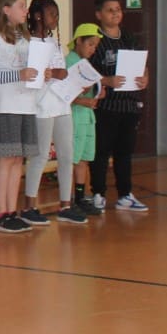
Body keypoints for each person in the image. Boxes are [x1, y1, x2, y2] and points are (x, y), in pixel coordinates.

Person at [0, 0, 41, 234]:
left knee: (18, 159)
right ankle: (0, 213)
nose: (26, 10)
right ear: (6, 9)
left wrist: (41, 73)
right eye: (21, 6)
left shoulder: (25, 38)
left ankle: (11, 210)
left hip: (26, 105)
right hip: (4, 106)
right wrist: (19, 74)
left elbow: (29, 70)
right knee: (5, 159)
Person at [24, 0, 87, 226]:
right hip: (41, 105)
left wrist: (60, 75)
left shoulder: (56, 43)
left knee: (66, 154)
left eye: (57, 14)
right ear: (38, 16)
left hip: (61, 104)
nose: (56, 19)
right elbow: (33, 76)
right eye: (52, 14)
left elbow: (63, 73)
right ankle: (29, 205)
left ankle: (65, 205)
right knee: (40, 155)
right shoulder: (29, 43)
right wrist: (48, 74)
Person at [89, 0, 151, 213]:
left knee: (124, 152)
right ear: (99, 14)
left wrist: (145, 77)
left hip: (129, 104)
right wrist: (107, 80)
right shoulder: (95, 39)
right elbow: (85, 71)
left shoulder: (129, 37)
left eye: (118, 10)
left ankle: (125, 194)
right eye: (110, 10)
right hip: (106, 106)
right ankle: (98, 194)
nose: (115, 14)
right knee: (101, 151)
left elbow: (143, 64)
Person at [67, 23, 106, 218]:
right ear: (78, 42)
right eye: (90, 44)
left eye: (95, 46)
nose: (93, 49)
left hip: (87, 115)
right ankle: (69, 199)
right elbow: (64, 92)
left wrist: (98, 92)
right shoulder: (70, 62)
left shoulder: (85, 63)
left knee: (83, 158)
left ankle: (81, 197)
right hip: (75, 115)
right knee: (73, 159)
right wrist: (83, 99)